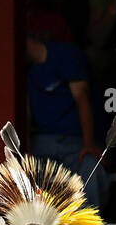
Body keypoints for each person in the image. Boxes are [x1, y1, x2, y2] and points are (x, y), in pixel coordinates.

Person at [26, 35, 106, 211]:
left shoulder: (65, 55)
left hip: (75, 141)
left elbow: (82, 99)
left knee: (90, 170)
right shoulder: (22, 69)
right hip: (43, 144)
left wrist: (88, 144)